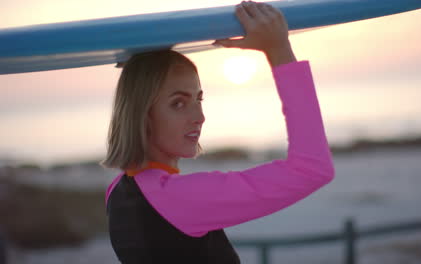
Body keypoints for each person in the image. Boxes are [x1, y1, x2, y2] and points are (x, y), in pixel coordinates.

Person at [101, 0, 335, 263]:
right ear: (141, 114)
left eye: (198, 99)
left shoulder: (118, 191)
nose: (199, 117)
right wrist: (279, 51)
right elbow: (313, 168)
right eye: (178, 103)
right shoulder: (179, 198)